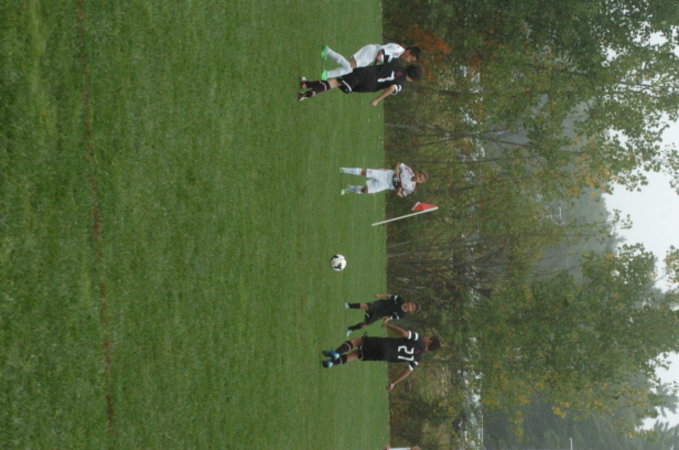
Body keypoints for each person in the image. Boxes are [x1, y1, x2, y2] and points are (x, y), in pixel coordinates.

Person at [321, 318, 441, 391]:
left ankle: (336, 353)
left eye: (428, 337)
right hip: (384, 356)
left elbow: (404, 334)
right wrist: (393, 383)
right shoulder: (418, 358)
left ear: (429, 341)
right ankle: (331, 363)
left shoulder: (418, 338)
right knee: (357, 354)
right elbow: (407, 372)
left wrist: (388, 325)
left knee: (357, 341)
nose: (426, 337)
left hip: (384, 345)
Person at [298, 59, 423, 106]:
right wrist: (377, 100)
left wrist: (375, 65)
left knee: (336, 82)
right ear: (412, 78)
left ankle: (311, 91)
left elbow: (379, 56)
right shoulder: (401, 84)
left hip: (365, 73)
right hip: (368, 86)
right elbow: (391, 88)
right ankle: (307, 85)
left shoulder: (395, 62)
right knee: (337, 82)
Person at [321, 43, 421, 79]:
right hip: (371, 52)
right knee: (349, 67)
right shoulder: (398, 50)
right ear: (409, 52)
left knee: (349, 68)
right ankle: (327, 52)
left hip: (371, 55)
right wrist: (376, 64)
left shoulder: (398, 53)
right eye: (410, 58)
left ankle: (327, 72)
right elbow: (381, 52)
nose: (408, 61)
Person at [344, 293, 417, 337]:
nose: (410, 306)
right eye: (412, 304)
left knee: (366, 324)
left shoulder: (401, 315)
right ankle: (348, 305)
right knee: (366, 306)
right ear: (410, 302)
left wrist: (386, 320)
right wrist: (380, 295)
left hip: (381, 314)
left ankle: (350, 329)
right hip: (380, 304)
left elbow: (390, 317)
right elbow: (388, 296)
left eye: (412, 308)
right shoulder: (400, 299)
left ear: (411, 311)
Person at [339, 163, 427, 197]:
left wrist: (398, 192)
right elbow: (399, 164)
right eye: (419, 175)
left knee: (365, 190)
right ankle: (343, 170)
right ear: (417, 172)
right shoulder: (409, 170)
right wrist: (396, 170)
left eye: (420, 179)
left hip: (386, 185)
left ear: (420, 182)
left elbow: (402, 195)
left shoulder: (411, 188)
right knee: (364, 172)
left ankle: (349, 188)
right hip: (386, 175)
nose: (418, 178)